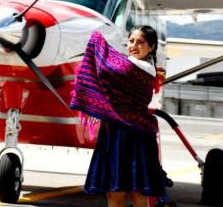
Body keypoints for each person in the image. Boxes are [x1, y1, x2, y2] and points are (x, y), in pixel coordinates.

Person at [70, 26, 171, 207]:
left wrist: (97, 38)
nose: (134, 46)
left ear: (152, 47)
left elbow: (106, 68)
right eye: (131, 41)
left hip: (133, 136)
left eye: (140, 42)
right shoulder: (124, 63)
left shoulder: (143, 67)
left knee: (136, 193)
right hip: (115, 133)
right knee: (113, 193)